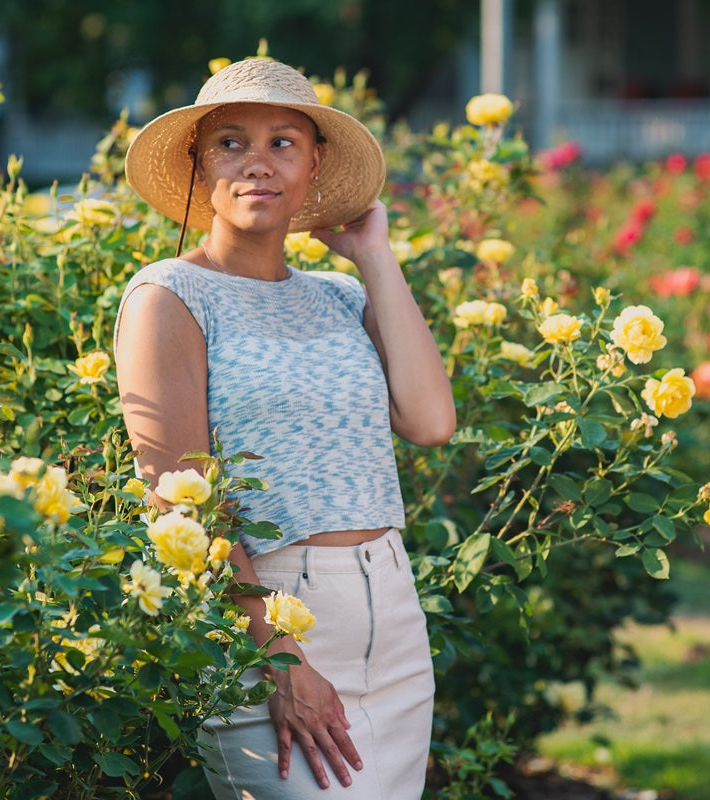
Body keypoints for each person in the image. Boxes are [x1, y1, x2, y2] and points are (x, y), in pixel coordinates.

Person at [114, 57, 456, 799]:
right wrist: (278, 658)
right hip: (269, 619)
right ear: (199, 165)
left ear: (314, 164)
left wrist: (374, 255)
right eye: (231, 144)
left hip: (391, 619)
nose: (256, 165)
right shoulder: (167, 297)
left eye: (283, 143)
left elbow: (430, 421)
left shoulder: (338, 296)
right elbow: (180, 501)